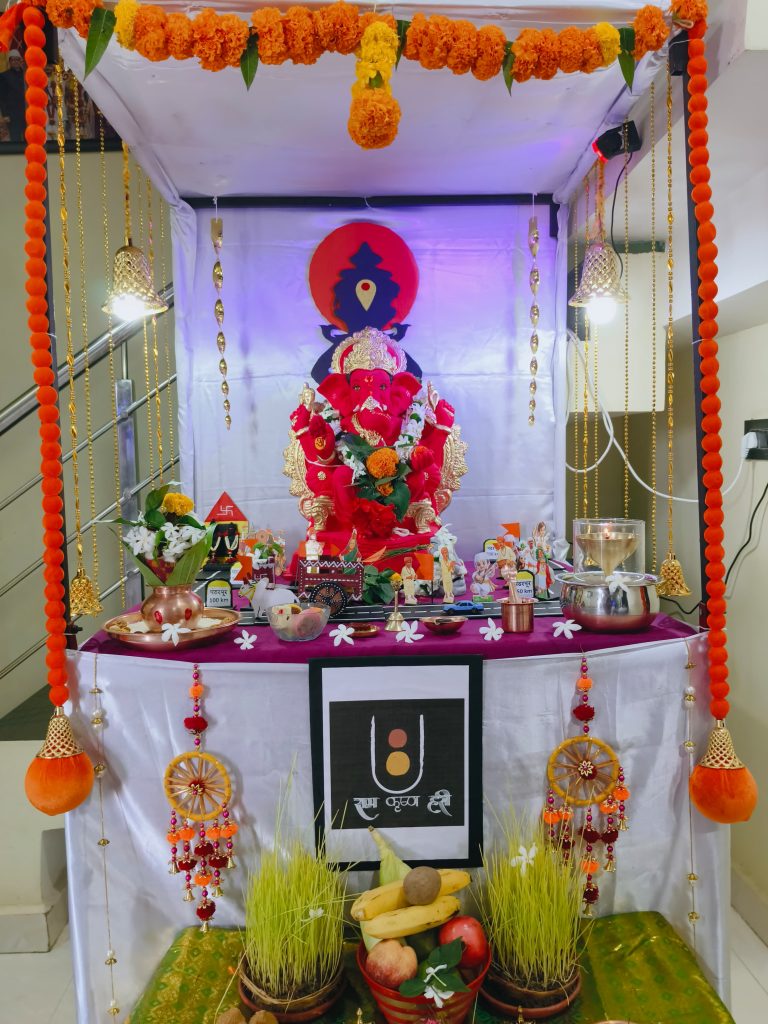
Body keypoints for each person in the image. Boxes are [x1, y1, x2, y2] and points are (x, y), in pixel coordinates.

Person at [0, 50, 25, 144]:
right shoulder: (4, 76)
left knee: (29, 137)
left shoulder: (26, 74)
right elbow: (2, 97)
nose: (15, 62)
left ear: (20, 61)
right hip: (12, 114)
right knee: (15, 138)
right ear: (9, 62)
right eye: (13, 60)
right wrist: (5, 114)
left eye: (17, 59)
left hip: (27, 112)